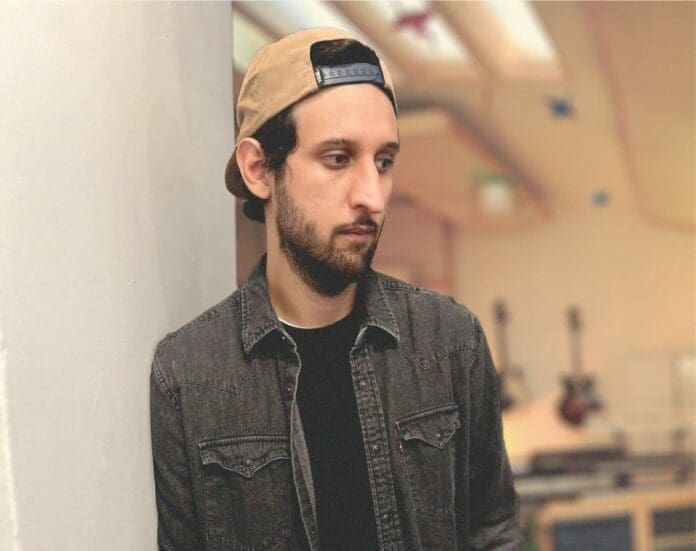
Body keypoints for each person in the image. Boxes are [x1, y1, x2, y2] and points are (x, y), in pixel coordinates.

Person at [150, 27, 522, 551]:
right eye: (337, 158)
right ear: (260, 170)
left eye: (384, 161)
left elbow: (494, 533)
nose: (372, 195)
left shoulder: (450, 341)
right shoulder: (188, 374)